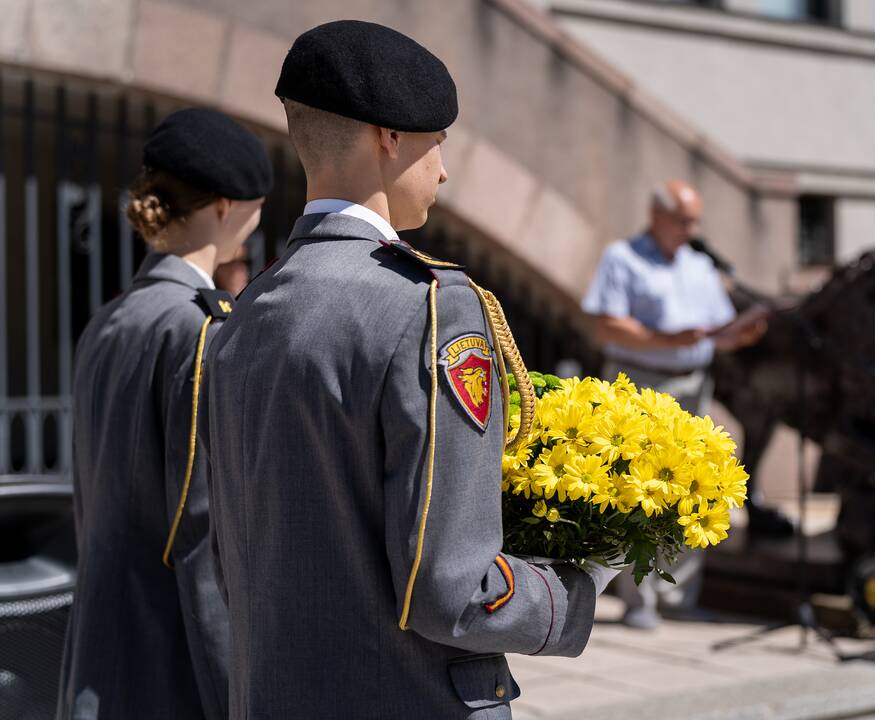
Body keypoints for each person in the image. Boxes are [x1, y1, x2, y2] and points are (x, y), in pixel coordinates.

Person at [203, 21, 616, 718]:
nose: (444, 170)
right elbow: (454, 590)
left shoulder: (245, 313)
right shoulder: (429, 306)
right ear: (388, 137)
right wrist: (585, 581)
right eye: (437, 143)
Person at [58, 108, 272, 719]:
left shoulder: (108, 320)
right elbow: (200, 535)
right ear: (227, 206)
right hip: (167, 659)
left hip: (98, 646)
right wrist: (237, 689)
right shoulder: (199, 328)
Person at [581, 180, 776, 629]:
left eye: (695, 221)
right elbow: (607, 326)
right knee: (640, 494)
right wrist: (665, 339)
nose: (692, 229)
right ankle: (639, 600)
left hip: (693, 386)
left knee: (692, 488)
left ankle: (678, 597)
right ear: (657, 217)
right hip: (640, 383)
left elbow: (714, 331)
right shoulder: (622, 258)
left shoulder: (699, 266)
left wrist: (741, 335)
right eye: (684, 220)